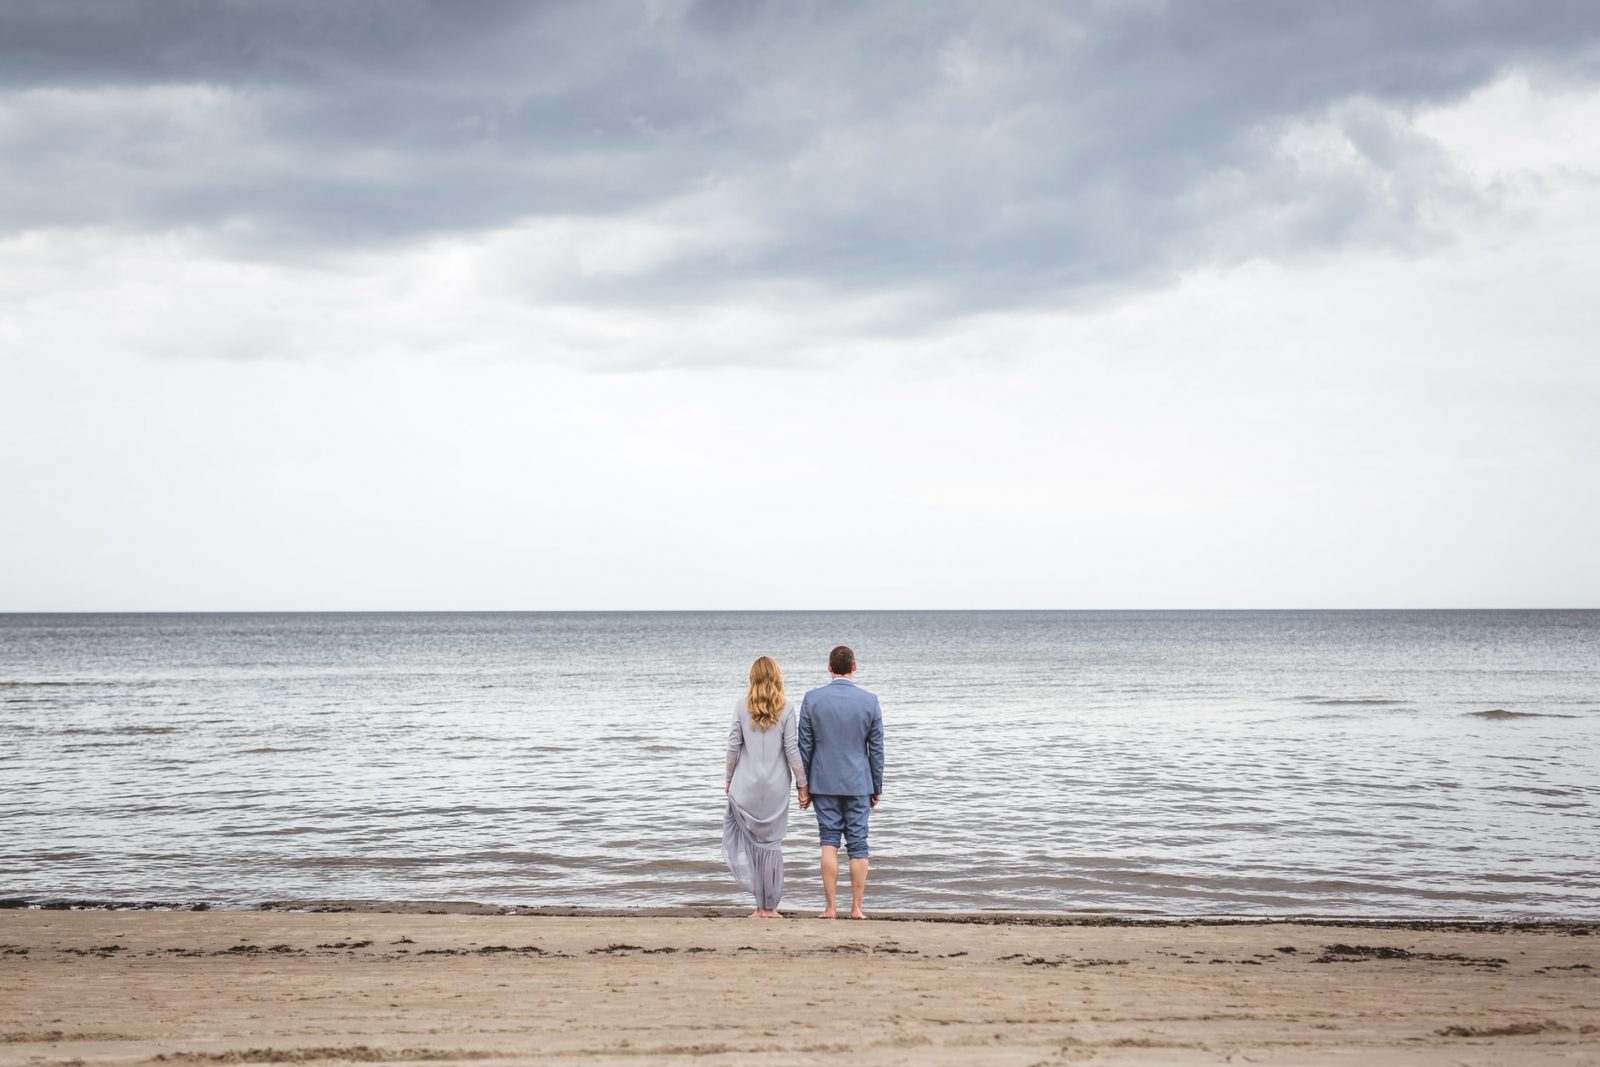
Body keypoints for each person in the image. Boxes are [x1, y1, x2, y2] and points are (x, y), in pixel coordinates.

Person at [797, 645, 884, 920]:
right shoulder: (870, 701)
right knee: (858, 844)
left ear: (829, 667)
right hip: (859, 782)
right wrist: (877, 786)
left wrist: (803, 786)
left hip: (823, 782)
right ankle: (856, 908)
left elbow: (804, 747)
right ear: (854, 667)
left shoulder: (812, 699)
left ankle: (831, 908)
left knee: (828, 842)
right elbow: (876, 749)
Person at [722, 655, 809, 917]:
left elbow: (733, 747)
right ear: (777, 677)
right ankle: (769, 908)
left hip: (745, 786)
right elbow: (792, 749)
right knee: (771, 846)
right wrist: (803, 785)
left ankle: (758, 907)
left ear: (753, 678)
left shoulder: (741, 706)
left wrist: (728, 778)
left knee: (752, 845)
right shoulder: (787, 708)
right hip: (776, 787)